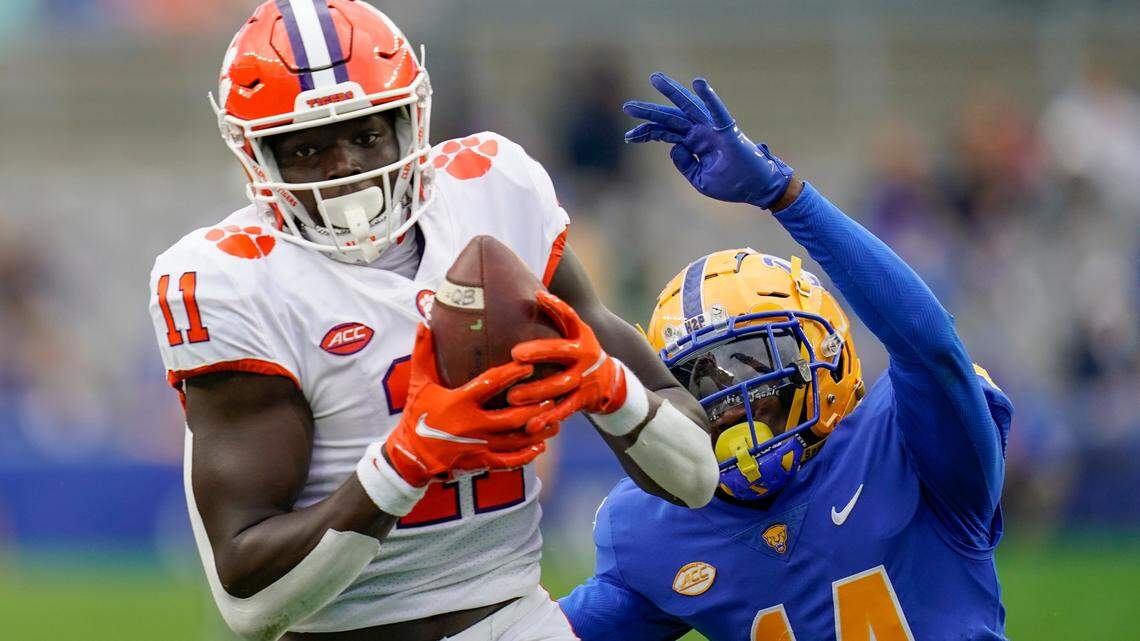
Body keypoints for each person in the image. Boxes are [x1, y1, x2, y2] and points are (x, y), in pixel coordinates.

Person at [146, 5, 718, 640]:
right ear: (259, 159)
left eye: (366, 135)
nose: (343, 166)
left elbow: (697, 478)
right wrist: (409, 458)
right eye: (307, 147)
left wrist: (610, 388)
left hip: (514, 621)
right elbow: (250, 607)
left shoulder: (494, 194)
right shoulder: (238, 281)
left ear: (410, 121)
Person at [559, 73, 1014, 640]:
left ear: (823, 356)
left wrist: (784, 193)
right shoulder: (657, 532)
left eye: (750, 361)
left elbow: (930, 344)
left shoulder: (906, 442)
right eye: (698, 377)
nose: (731, 397)